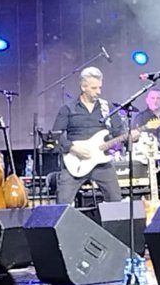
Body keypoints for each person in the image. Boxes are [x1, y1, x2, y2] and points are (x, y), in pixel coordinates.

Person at [50, 67, 135, 205]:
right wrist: (72, 148)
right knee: (63, 201)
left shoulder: (107, 107)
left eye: (100, 87)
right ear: (83, 87)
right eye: (94, 88)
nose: (98, 92)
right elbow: (56, 136)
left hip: (102, 162)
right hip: (75, 162)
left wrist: (130, 137)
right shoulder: (68, 108)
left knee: (115, 199)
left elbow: (119, 132)